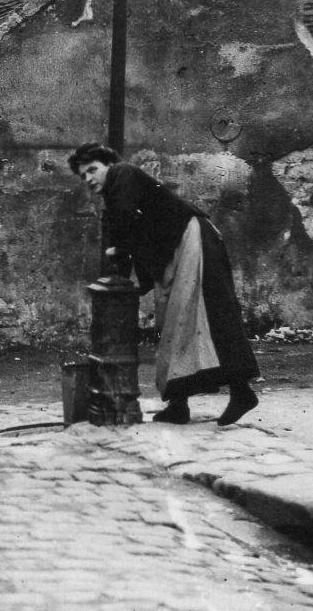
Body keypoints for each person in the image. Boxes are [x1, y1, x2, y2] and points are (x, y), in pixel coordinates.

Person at [67, 142, 260, 426]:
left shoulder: (123, 173)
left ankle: (242, 392)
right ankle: (178, 405)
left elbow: (124, 221)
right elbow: (128, 227)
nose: (89, 179)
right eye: (84, 176)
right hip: (172, 254)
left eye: (93, 170)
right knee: (172, 327)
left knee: (211, 317)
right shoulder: (116, 194)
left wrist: (118, 251)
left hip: (193, 238)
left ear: (108, 165)